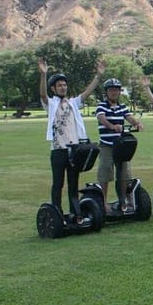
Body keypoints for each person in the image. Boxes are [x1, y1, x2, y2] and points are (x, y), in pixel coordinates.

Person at [38, 57, 105, 222]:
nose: (63, 87)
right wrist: (43, 75)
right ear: (54, 89)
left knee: (73, 184)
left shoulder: (73, 103)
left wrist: (98, 76)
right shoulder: (51, 104)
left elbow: (87, 92)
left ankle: (76, 213)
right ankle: (57, 213)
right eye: (59, 85)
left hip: (75, 149)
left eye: (64, 85)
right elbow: (42, 94)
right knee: (58, 184)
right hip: (58, 150)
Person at [95, 78, 144, 214]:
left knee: (124, 175)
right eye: (111, 90)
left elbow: (129, 117)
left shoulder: (122, 107)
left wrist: (137, 123)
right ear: (107, 92)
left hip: (121, 146)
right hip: (107, 146)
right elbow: (102, 119)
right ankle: (103, 203)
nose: (114, 92)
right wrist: (112, 126)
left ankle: (123, 201)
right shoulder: (101, 106)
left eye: (116, 90)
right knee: (105, 174)